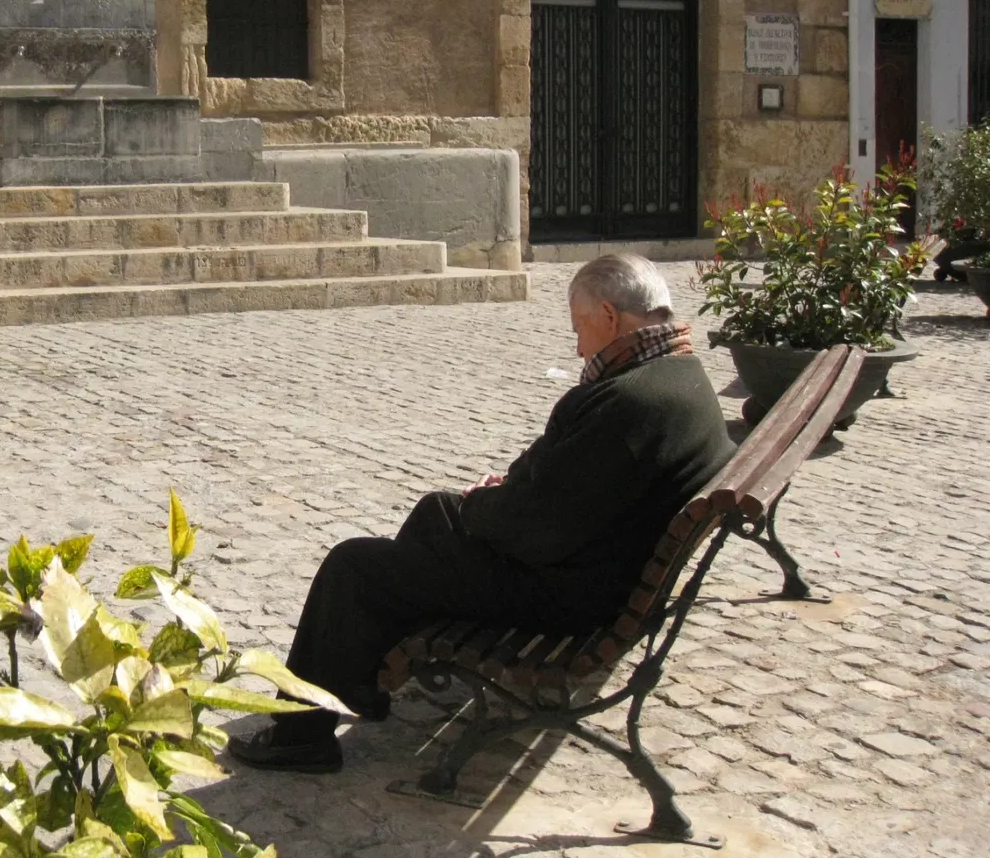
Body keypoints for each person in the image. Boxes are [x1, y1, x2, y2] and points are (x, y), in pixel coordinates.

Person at [229, 254, 736, 773]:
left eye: (578, 326)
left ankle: (301, 736)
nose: (578, 345)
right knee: (435, 512)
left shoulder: (630, 402)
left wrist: (483, 506)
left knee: (354, 566)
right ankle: (359, 677)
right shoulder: (678, 372)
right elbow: (570, 489)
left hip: (572, 595)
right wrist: (498, 497)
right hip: (603, 564)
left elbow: (537, 530)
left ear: (608, 316)